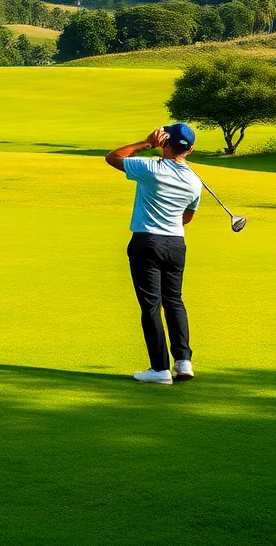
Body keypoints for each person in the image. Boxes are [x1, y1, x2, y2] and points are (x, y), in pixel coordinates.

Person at [105, 123, 202, 385]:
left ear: (164, 141)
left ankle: (159, 369)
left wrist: (146, 144)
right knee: (174, 301)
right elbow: (187, 218)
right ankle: (183, 362)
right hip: (176, 244)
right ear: (190, 150)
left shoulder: (151, 168)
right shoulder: (195, 181)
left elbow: (113, 157)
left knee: (151, 305)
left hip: (147, 241)